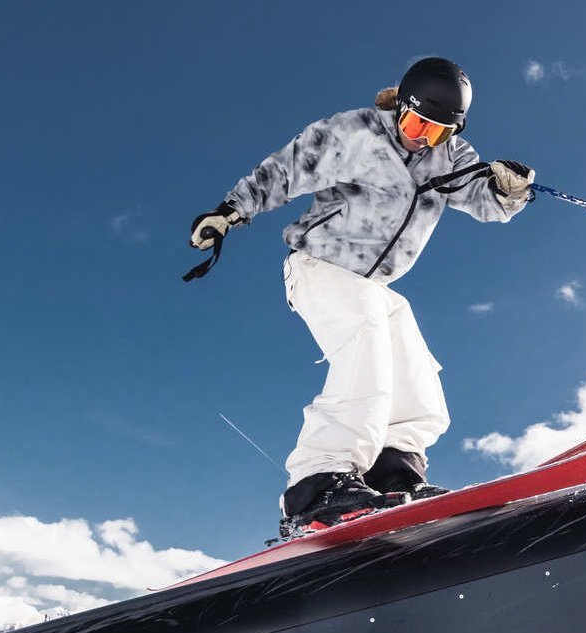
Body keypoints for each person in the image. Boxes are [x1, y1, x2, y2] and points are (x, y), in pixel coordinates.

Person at [186, 57, 535, 538]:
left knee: (414, 374)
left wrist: (508, 190)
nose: (421, 138)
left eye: (436, 132)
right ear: (401, 109)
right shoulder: (357, 133)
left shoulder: (451, 155)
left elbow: (484, 199)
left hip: (373, 285)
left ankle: (393, 472)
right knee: (366, 348)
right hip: (319, 265)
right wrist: (230, 212)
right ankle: (316, 485)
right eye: (414, 123)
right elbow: (287, 170)